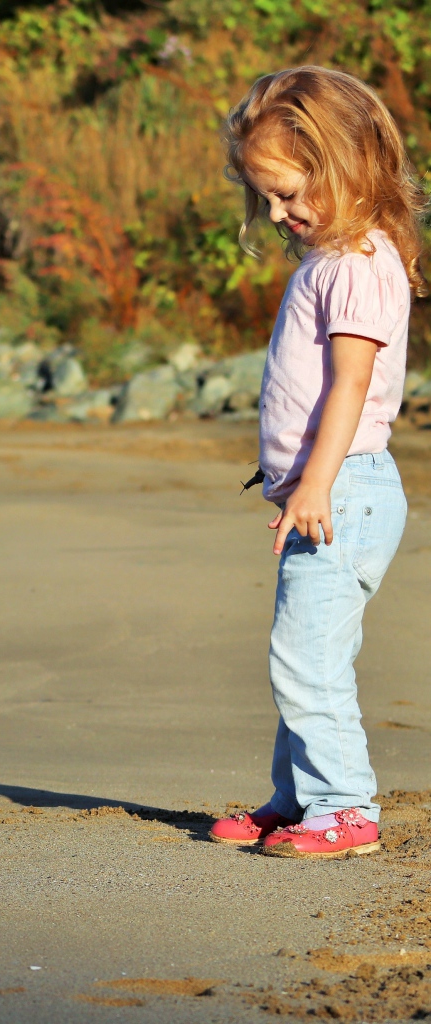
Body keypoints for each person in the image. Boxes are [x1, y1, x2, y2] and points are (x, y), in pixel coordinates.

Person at [208, 66, 425, 859]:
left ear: (346, 166)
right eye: (266, 197)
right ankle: (297, 797)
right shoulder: (337, 259)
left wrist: (317, 485)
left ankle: (345, 809)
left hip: (346, 489)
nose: (279, 212)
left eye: (291, 192)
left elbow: (351, 385)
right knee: (308, 653)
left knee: (306, 658)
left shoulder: (361, 262)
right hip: (332, 490)